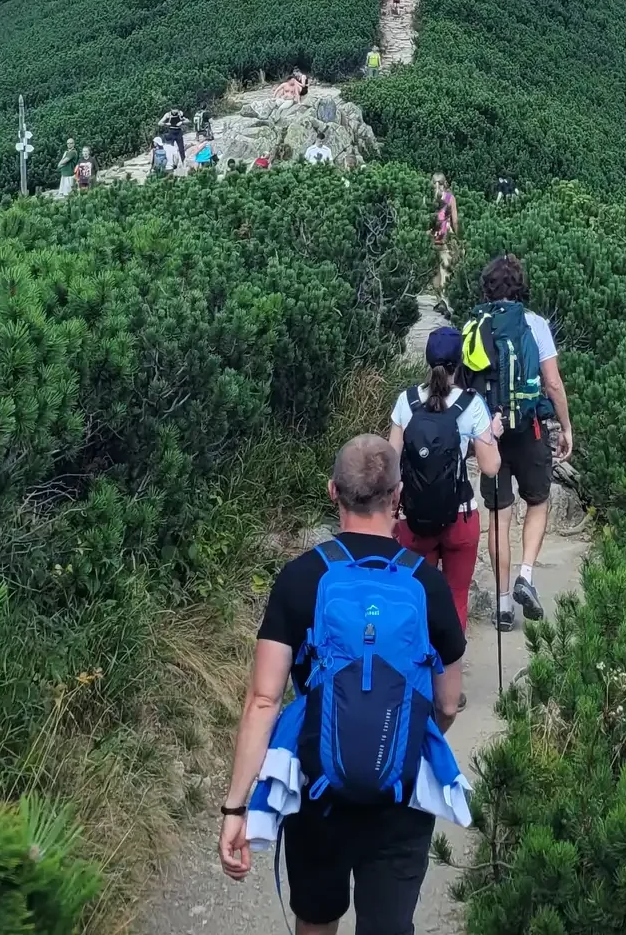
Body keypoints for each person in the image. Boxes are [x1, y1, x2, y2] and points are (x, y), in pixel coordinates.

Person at [218, 436, 467, 935]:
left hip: (317, 790)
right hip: (400, 792)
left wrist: (236, 806)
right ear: (398, 496)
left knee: (316, 918)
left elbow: (263, 701)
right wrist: (402, 728)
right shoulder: (428, 585)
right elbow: (446, 701)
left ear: (333, 492)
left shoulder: (299, 579)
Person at [467, 254, 573, 631]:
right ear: (520, 286)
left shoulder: (476, 323)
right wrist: (566, 427)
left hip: (489, 434)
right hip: (530, 428)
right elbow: (553, 382)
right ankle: (526, 575)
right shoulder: (535, 324)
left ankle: (502, 604)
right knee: (539, 501)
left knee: (498, 515)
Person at [388, 325, 500, 645]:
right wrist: (493, 434)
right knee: (456, 598)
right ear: (460, 361)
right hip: (460, 517)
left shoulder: (406, 401)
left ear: (427, 359)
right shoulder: (471, 404)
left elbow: (390, 466)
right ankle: (449, 685)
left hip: (414, 518)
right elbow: (491, 468)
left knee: (414, 599)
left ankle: (416, 678)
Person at [430, 175, 458, 294]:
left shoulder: (428, 198)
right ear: (445, 183)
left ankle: (438, 299)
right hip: (445, 236)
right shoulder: (450, 198)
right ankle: (445, 298)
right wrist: (457, 235)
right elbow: (455, 220)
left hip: (431, 236)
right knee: (445, 268)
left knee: (435, 271)